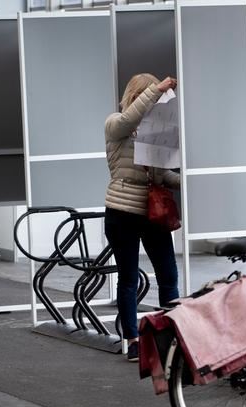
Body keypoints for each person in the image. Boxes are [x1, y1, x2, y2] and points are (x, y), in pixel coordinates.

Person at [103, 73, 180, 362]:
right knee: (128, 278)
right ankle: (133, 340)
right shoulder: (116, 124)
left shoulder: (155, 132)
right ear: (136, 96)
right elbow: (128, 120)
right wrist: (156, 90)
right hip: (122, 211)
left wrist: (191, 180)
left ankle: (172, 337)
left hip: (152, 213)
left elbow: (163, 176)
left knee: (168, 275)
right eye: (150, 96)